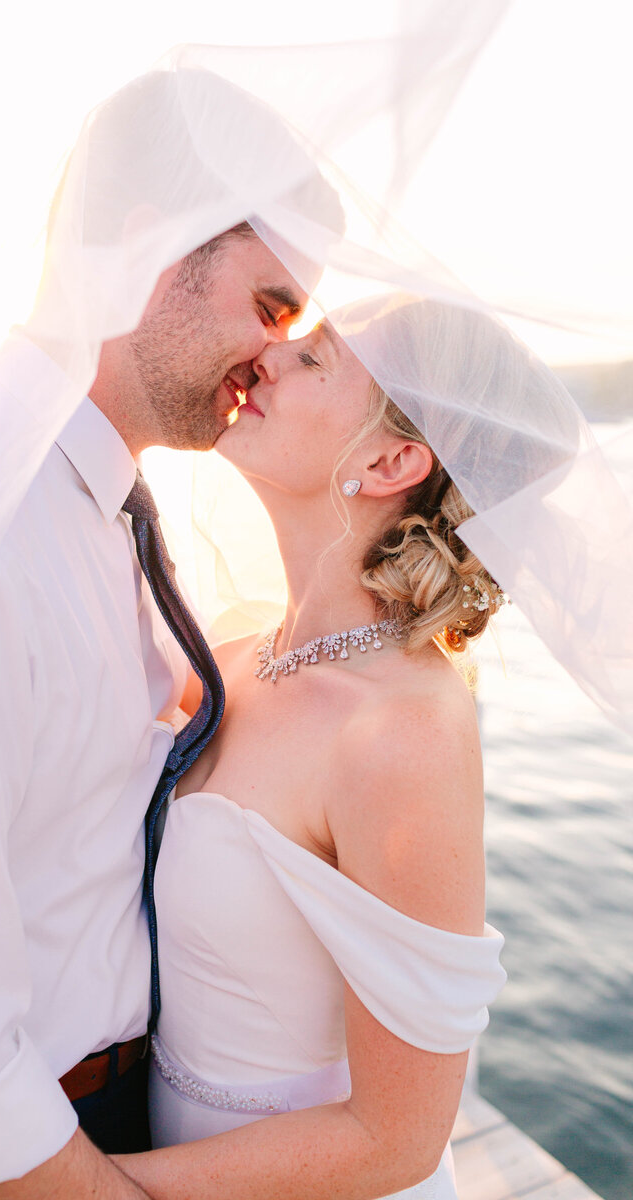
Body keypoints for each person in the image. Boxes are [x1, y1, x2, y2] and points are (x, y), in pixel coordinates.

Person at [0, 69, 340, 1200]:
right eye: (269, 307)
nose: (271, 360)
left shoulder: (106, 505)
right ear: (145, 249)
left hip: (106, 1119)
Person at [102, 294, 585, 1199]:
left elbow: (395, 1138)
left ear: (392, 459)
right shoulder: (240, 654)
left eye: (314, 358)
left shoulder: (403, 735)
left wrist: (99, 1187)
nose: (263, 358)